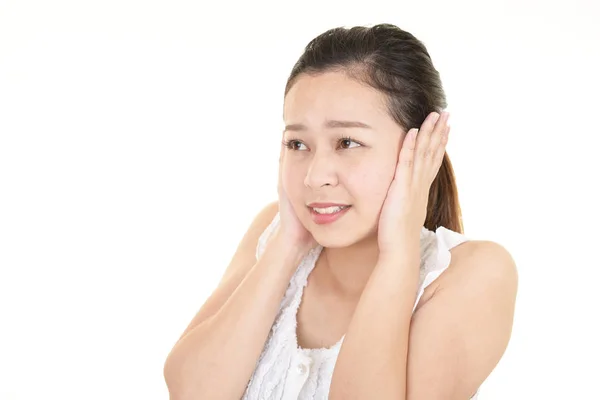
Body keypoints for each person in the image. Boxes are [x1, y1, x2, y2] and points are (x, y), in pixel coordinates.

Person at [163, 23, 518, 400]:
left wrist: (398, 251)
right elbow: (190, 392)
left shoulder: (473, 273)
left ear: (422, 148)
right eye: (298, 143)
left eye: (347, 142)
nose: (315, 177)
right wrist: (288, 243)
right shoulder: (273, 232)